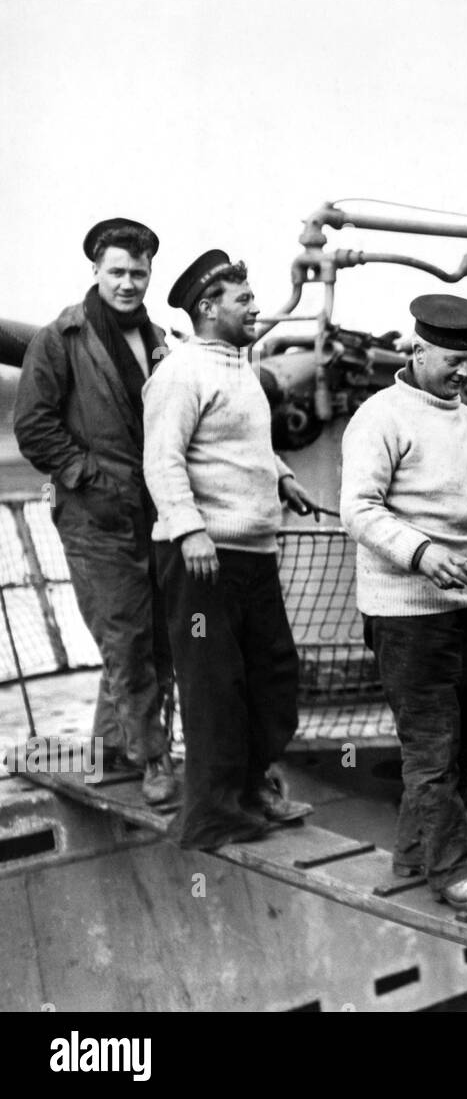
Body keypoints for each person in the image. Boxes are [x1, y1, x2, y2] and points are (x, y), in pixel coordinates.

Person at [340, 294, 467, 911]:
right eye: (452, 360)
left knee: (463, 744)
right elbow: (359, 509)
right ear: (417, 349)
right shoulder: (380, 418)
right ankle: (453, 875)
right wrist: (424, 554)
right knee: (430, 749)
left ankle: (410, 855)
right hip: (403, 617)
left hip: (462, 612)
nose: (462, 372)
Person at [143, 250, 322, 850]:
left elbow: (240, 442)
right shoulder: (178, 373)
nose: (254, 306)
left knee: (273, 677)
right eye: (243, 299)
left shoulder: (238, 366)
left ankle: (250, 792)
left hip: (251, 554)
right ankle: (214, 814)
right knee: (214, 685)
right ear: (208, 308)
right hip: (199, 560)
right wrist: (190, 529)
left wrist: (281, 476)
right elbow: (162, 460)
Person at [14, 218, 178, 806]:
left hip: (154, 514)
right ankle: (154, 758)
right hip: (94, 518)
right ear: (95, 272)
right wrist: (88, 476)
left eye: (138, 273)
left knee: (155, 637)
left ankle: (113, 745)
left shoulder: (158, 339)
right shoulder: (61, 338)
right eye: (117, 272)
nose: (128, 283)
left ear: (149, 273)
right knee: (127, 637)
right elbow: (33, 426)